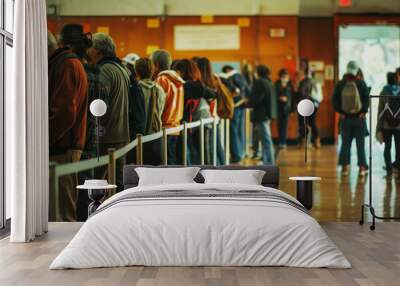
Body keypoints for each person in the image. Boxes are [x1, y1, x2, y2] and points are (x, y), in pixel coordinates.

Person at [48, 24, 90, 221]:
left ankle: (65, 250)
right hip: (65, 144)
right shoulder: (69, 63)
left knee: (62, 211)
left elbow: (65, 113)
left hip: (62, 147)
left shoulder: (66, 65)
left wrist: (43, 139)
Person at [88, 33, 130, 191]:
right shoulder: (121, 68)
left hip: (106, 136)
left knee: (98, 183)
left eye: (91, 47)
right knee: (118, 181)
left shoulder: (104, 70)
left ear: (97, 50)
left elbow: (99, 103)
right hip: (120, 134)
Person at [173, 59, 217, 165]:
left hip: (183, 124)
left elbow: (212, 94)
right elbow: (213, 94)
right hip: (189, 123)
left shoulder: (187, 85)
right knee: (200, 154)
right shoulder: (194, 85)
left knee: (188, 155)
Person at [332, 61, 370, 176]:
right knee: (360, 144)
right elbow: (366, 99)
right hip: (359, 119)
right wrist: (363, 112)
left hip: (345, 119)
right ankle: (362, 168)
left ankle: (345, 167)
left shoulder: (341, 83)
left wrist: (340, 112)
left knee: (345, 144)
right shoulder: (361, 83)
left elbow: (334, 100)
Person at [151, 49, 185, 165]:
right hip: (175, 127)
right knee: (171, 160)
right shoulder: (178, 80)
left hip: (165, 128)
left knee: (166, 162)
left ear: (156, 65)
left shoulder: (162, 80)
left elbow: (157, 105)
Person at [135, 57, 166, 165]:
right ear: (153, 71)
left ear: (137, 71)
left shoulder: (136, 89)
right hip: (156, 134)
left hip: (139, 136)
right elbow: (161, 109)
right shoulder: (160, 89)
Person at [196, 57, 225, 165]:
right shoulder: (215, 80)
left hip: (207, 119)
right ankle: (224, 169)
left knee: (210, 150)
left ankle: (215, 173)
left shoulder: (200, 83)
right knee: (218, 146)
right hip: (215, 118)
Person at [246, 65, 277, 165]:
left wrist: (247, 104)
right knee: (265, 140)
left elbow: (256, 98)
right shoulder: (269, 82)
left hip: (261, 115)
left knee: (266, 140)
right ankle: (267, 161)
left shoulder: (260, 82)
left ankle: (270, 163)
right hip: (267, 114)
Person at [220, 65, 247, 163]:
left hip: (234, 106)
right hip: (242, 105)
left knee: (233, 131)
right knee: (240, 131)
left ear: (227, 70)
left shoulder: (226, 78)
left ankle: (236, 155)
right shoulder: (241, 76)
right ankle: (241, 152)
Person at [376, 72, 400, 178]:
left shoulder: (384, 91)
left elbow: (381, 109)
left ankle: (389, 170)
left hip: (386, 124)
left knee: (388, 147)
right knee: (398, 147)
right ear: (396, 79)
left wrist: (379, 127)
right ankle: (398, 168)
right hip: (399, 125)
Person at [295, 69, 321, 149]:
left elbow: (302, 94)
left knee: (303, 123)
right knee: (312, 122)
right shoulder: (311, 81)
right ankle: (316, 141)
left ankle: (304, 143)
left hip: (304, 105)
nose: (297, 77)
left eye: (298, 75)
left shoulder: (304, 82)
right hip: (313, 104)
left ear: (302, 74)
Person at [275, 69, 293, 149]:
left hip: (286, 108)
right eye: (283, 76)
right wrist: (279, 98)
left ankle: (284, 142)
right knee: (279, 125)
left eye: (286, 76)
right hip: (278, 107)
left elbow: (292, 97)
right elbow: (273, 95)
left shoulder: (290, 85)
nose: (285, 78)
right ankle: (280, 142)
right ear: (280, 77)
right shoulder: (276, 84)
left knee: (285, 126)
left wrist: (292, 110)